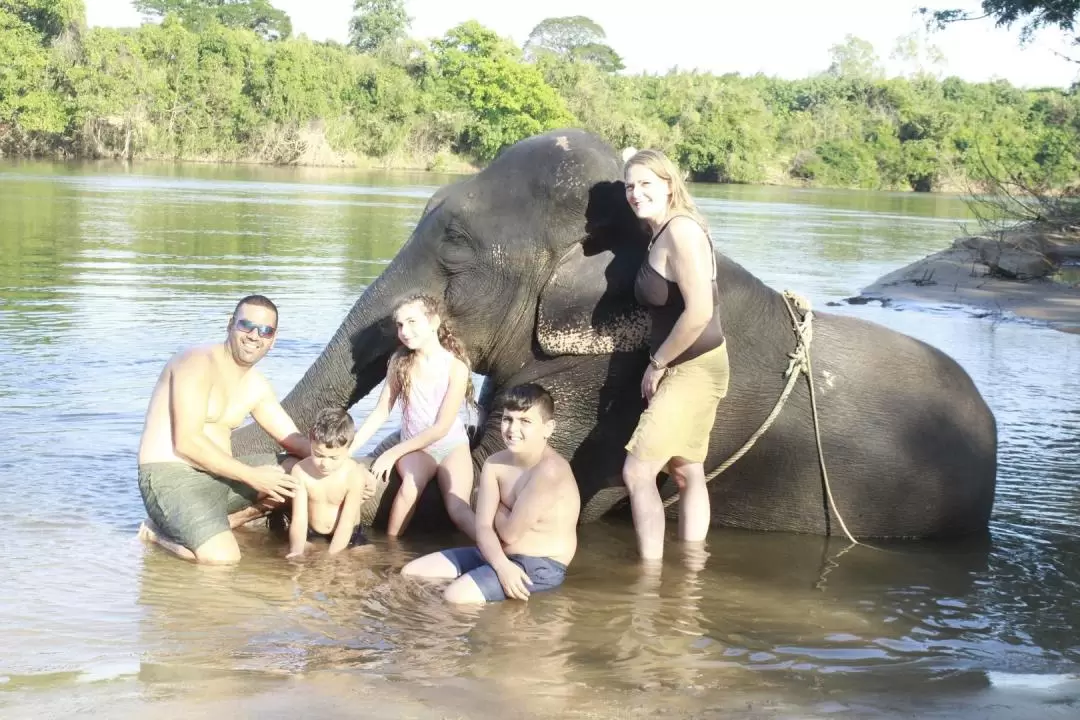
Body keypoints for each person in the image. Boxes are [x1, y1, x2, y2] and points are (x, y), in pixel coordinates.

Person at [136, 295, 311, 565]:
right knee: (223, 561)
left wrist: (344, 463)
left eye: (265, 330)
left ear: (273, 339)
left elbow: (293, 440)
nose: (254, 336)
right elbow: (187, 442)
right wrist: (254, 477)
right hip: (172, 478)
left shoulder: (256, 385)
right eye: (246, 326)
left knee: (299, 472)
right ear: (230, 325)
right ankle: (156, 535)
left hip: (222, 478)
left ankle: (225, 522)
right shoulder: (196, 363)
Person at [621, 149, 730, 562]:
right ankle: (690, 570)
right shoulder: (663, 230)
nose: (635, 193)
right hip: (695, 363)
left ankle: (648, 577)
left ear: (669, 185)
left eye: (646, 184)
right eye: (630, 186)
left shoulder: (681, 232)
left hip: (693, 368)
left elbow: (700, 311)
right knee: (685, 470)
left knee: (638, 470)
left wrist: (658, 363)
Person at [400, 384, 580, 604]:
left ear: (548, 428)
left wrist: (499, 507)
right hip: (496, 555)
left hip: (540, 564)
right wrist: (501, 566)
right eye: (508, 419)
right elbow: (483, 527)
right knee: (410, 574)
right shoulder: (495, 463)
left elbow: (510, 534)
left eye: (525, 422)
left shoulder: (549, 472)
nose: (513, 429)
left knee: (454, 597)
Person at [349, 293, 477, 539]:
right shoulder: (399, 362)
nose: (405, 331)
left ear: (434, 322)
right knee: (409, 488)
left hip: (452, 446)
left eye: (412, 322)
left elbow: (441, 428)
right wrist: (349, 449)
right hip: (416, 449)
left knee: (458, 508)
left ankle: (497, 553)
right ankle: (391, 553)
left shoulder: (456, 368)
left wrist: (391, 453)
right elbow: (381, 411)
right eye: (400, 325)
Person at [286, 407, 377, 559]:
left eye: (334, 458)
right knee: (296, 552)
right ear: (310, 439)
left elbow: (347, 523)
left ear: (348, 447)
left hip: (349, 535)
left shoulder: (353, 475)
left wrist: (332, 557)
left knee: (364, 555)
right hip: (313, 533)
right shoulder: (300, 471)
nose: (325, 464)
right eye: (319, 455)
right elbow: (299, 519)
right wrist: (296, 550)